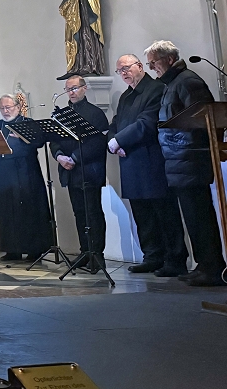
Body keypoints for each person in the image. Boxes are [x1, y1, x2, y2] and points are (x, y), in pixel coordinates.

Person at [146, 40, 227, 286]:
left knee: (200, 217)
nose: (152, 68)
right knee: (193, 219)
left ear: (169, 59)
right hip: (180, 161)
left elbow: (204, 120)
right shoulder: (172, 84)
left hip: (192, 159)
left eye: (154, 62)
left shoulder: (188, 81)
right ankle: (204, 264)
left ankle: (213, 268)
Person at [108, 54, 188, 276]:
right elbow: (115, 123)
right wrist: (112, 141)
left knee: (165, 214)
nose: (123, 73)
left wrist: (119, 141)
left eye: (127, 68)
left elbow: (148, 123)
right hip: (130, 163)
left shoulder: (156, 89)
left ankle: (175, 260)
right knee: (143, 216)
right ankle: (152, 257)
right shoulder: (125, 96)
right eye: (120, 70)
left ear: (140, 66)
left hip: (151, 162)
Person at [50, 76, 110, 271]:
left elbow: (97, 143)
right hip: (69, 171)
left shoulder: (95, 113)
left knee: (93, 212)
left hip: (89, 171)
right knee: (79, 213)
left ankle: (97, 254)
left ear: (84, 88)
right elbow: (54, 140)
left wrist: (74, 157)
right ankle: (85, 252)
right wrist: (59, 156)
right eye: (68, 89)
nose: (71, 92)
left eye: (75, 88)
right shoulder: (61, 114)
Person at [0, 95, 53, 262]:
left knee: (28, 210)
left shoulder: (28, 123)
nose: (5, 111)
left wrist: (24, 137)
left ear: (18, 107)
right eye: (2, 108)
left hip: (25, 172)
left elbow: (39, 142)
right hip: (3, 172)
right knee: (6, 210)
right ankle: (12, 250)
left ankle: (34, 249)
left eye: (8, 107)